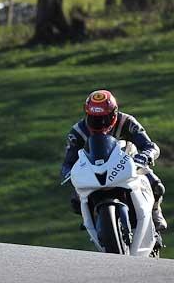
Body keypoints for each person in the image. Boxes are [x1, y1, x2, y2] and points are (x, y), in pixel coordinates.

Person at [61, 90, 167, 231]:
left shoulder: (128, 122)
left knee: (156, 185)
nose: (100, 124)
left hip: (128, 163)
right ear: (87, 115)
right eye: (94, 119)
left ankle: (155, 212)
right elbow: (68, 162)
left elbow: (150, 145)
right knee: (76, 200)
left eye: (104, 118)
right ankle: (91, 217)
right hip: (94, 170)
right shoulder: (77, 132)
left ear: (114, 113)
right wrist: (69, 173)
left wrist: (145, 155)